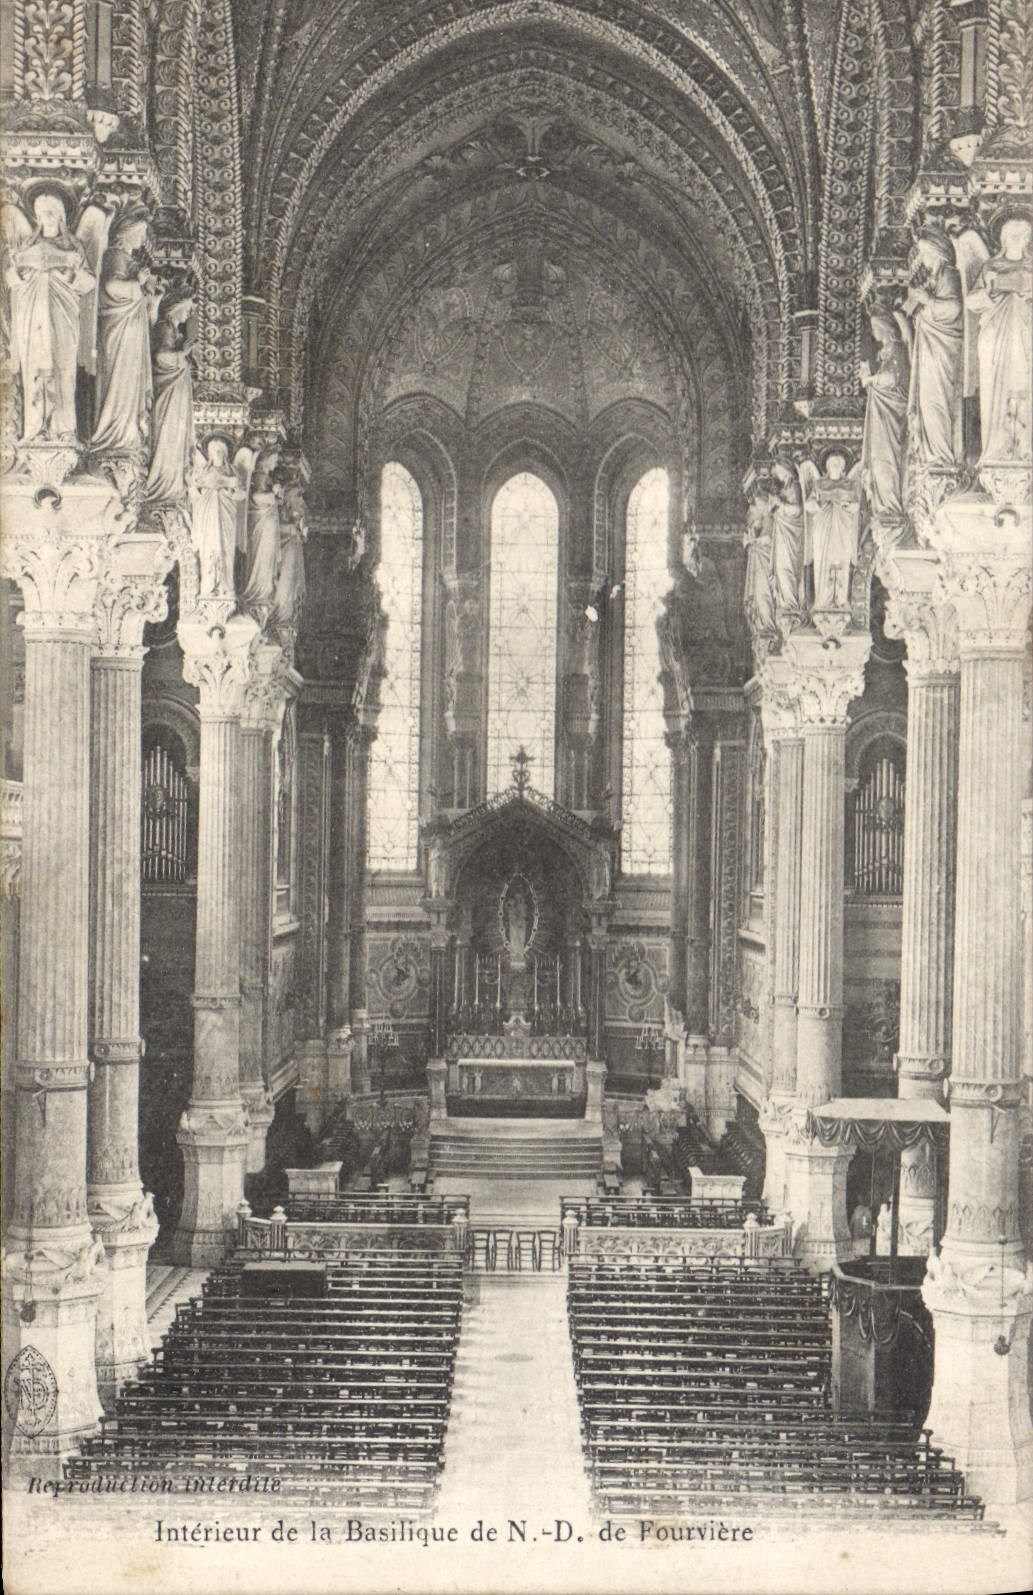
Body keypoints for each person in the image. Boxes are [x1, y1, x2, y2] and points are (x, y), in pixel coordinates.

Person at [5, 188, 95, 441]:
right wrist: (23, 270)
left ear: (61, 216)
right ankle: (35, 429)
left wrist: (68, 274)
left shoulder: (73, 246)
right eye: (42, 213)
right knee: (34, 367)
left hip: (62, 316)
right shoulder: (28, 246)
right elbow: (11, 277)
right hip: (33, 316)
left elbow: (89, 282)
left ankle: (63, 429)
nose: (46, 217)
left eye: (51, 213)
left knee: (63, 368)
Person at [91, 205, 162, 456]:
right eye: (139, 233)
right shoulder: (115, 256)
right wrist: (138, 282)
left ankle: (127, 430)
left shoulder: (129, 260)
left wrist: (153, 301)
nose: (142, 240)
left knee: (131, 382)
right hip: (119, 330)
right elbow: (111, 287)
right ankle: (116, 431)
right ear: (126, 232)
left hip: (132, 329)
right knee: (121, 379)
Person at [966, 216, 1032, 465]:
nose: (1019, 239)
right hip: (996, 339)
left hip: (1025, 337)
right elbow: (971, 301)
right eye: (1013, 235)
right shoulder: (990, 268)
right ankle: (997, 446)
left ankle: (1024, 447)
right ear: (1003, 239)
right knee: (997, 390)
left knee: (1024, 389)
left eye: (1023, 235)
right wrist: (992, 289)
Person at [903, 227, 963, 470]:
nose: (923, 259)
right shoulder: (935, 278)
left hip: (943, 350)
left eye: (926, 253)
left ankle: (941, 457)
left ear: (938, 253)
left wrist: (927, 301)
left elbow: (954, 309)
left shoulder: (948, 274)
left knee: (936, 401)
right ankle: (934, 456)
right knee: (929, 403)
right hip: (931, 349)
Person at [144, 284, 196, 504]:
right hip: (167, 394)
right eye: (188, 307)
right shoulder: (165, 327)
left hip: (175, 395)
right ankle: (163, 486)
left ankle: (170, 486)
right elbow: (160, 358)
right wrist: (182, 354)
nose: (189, 313)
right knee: (168, 435)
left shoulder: (173, 331)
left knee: (174, 438)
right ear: (176, 306)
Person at [860, 312, 910, 534]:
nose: (874, 333)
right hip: (881, 417)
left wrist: (871, 379)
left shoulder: (897, 350)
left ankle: (891, 507)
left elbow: (892, 379)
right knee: (879, 459)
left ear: (887, 329)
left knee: (886, 458)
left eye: (876, 328)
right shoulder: (886, 354)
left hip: (891, 416)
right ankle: (885, 507)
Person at [189, 435, 244, 599]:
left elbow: (241, 494)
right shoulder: (203, 471)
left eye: (220, 450)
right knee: (209, 548)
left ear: (225, 453)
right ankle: (208, 586)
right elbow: (194, 493)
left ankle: (225, 586)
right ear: (209, 453)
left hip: (226, 516)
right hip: (208, 517)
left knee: (226, 548)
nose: (217, 453)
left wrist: (227, 487)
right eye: (213, 451)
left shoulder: (232, 471)